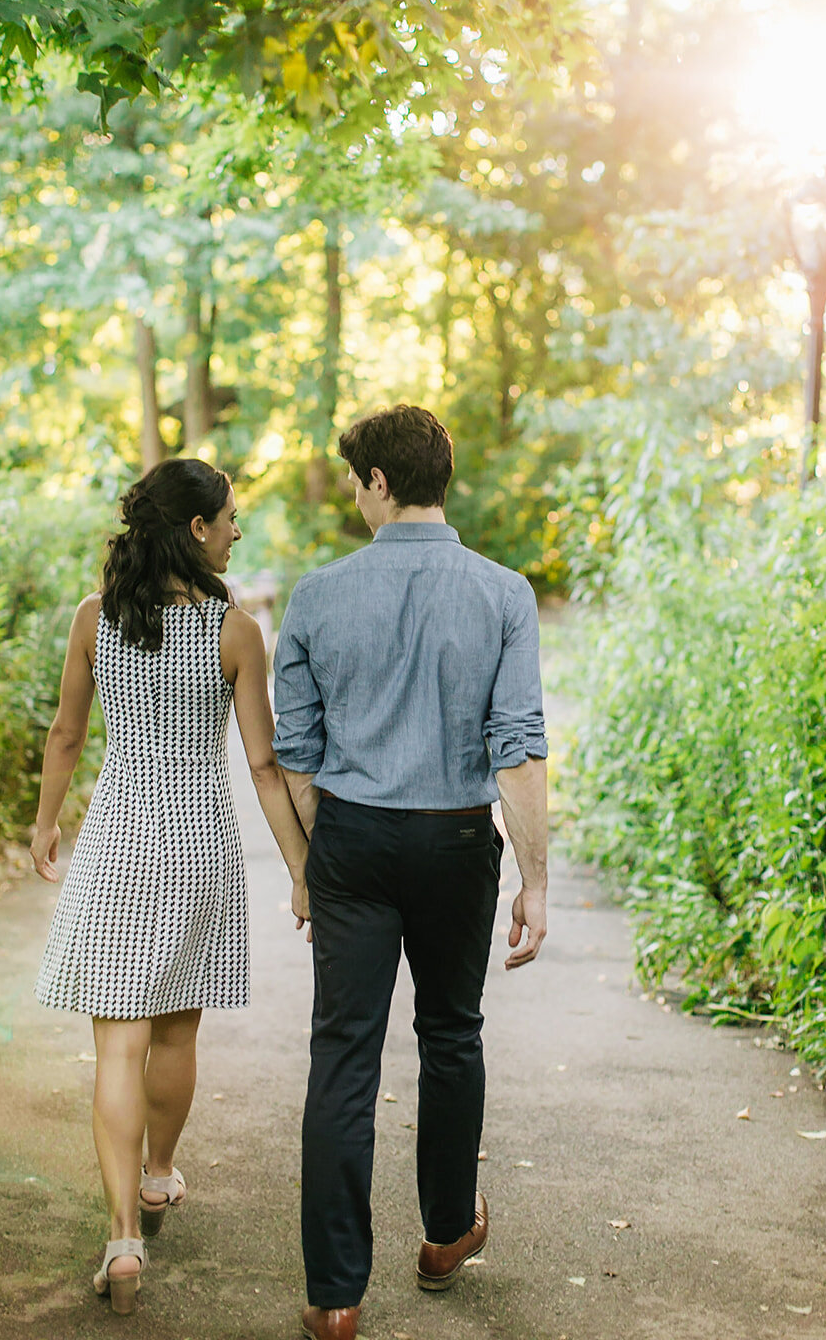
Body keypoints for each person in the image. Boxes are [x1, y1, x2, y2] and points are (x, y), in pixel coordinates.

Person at [273, 404, 549, 1340]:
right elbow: (516, 749)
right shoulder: (504, 594)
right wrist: (536, 882)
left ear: (381, 482)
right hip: (456, 840)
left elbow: (295, 754)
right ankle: (441, 1237)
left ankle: (336, 1296)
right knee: (450, 1033)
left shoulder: (315, 597)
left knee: (343, 1055)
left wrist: (323, 855)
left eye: (356, 481)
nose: (354, 497)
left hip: (351, 835)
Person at [30, 457, 310, 1315]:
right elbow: (264, 767)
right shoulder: (235, 628)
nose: (236, 531)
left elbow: (69, 736)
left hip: (115, 842)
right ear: (195, 529)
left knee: (116, 1045)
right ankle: (156, 1178)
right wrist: (304, 872)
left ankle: (120, 1239)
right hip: (195, 847)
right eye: (229, 518)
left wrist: (45, 826)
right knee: (176, 1034)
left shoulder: (95, 617)